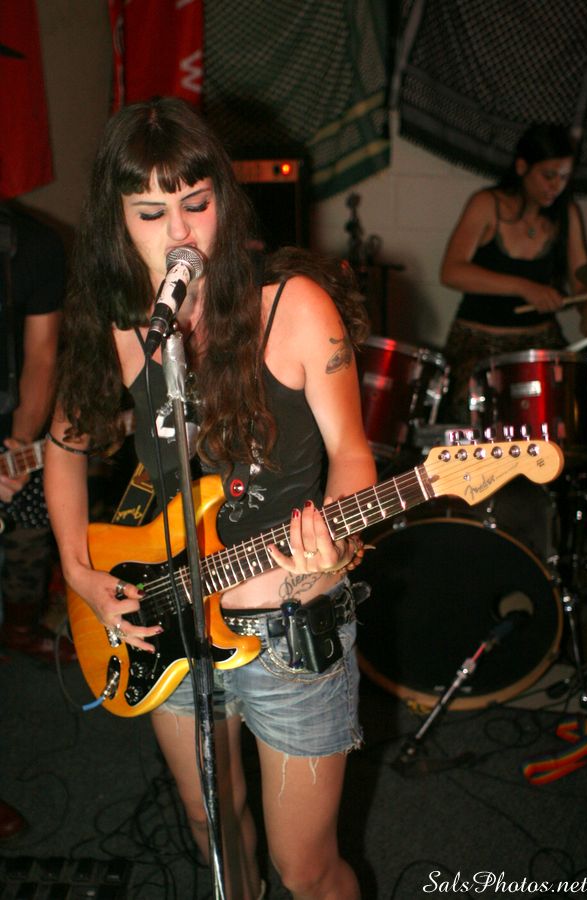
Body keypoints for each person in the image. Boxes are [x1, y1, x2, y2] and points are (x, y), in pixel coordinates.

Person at [44, 97, 376, 900]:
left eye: (196, 203)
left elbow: (353, 453)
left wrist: (332, 546)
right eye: (150, 212)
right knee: (211, 826)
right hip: (172, 621)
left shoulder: (293, 307)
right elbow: (65, 443)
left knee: (306, 867)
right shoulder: (125, 322)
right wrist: (79, 572)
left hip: (289, 621)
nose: (180, 232)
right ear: (117, 221)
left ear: (224, 197)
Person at [439, 123, 587, 421]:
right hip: (479, 341)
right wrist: (524, 287)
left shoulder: (567, 213)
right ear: (522, 166)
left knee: (575, 406)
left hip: (540, 342)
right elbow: (451, 271)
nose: (556, 186)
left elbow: (582, 282)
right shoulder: (487, 204)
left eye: (564, 177)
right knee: (472, 413)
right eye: (548, 176)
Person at [0, 203, 71, 663]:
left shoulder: (35, 245)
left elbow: (42, 356)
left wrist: (19, 448)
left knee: (32, 507)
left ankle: (20, 627)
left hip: (10, 414)